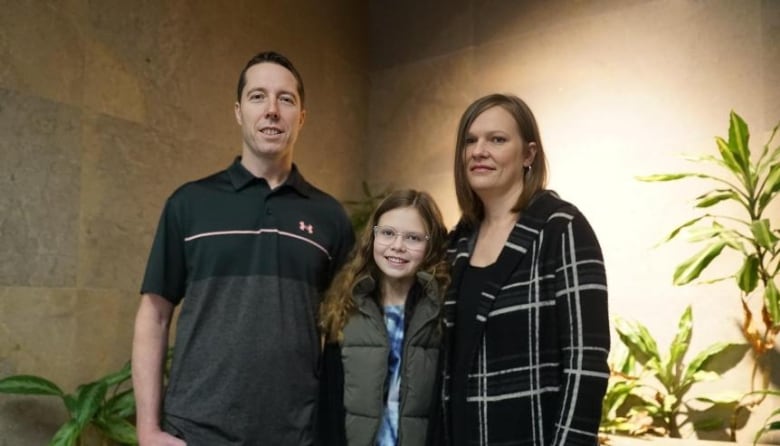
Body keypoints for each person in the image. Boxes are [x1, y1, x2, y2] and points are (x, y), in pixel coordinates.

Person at [131, 51, 355, 445]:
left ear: (301, 117)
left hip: (296, 433)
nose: (272, 110)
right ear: (238, 111)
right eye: (258, 97)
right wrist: (148, 430)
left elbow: (348, 333)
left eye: (286, 99)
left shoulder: (330, 217)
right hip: (195, 432)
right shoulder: (190, 203)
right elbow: (155, 316)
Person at [436, 93, 610, 445]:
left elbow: (585, 363)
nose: (478, 150)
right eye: (470, 140)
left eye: (496, 139)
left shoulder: (562, 228)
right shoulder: (456, 243)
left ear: (529, 154)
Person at [318, 189, 449, 446]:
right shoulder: (346, 307)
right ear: (372, 237)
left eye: (413, 238)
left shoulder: (441, 312)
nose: (397, 246)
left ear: (430, 245)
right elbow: (328, 404)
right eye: (387, 233)